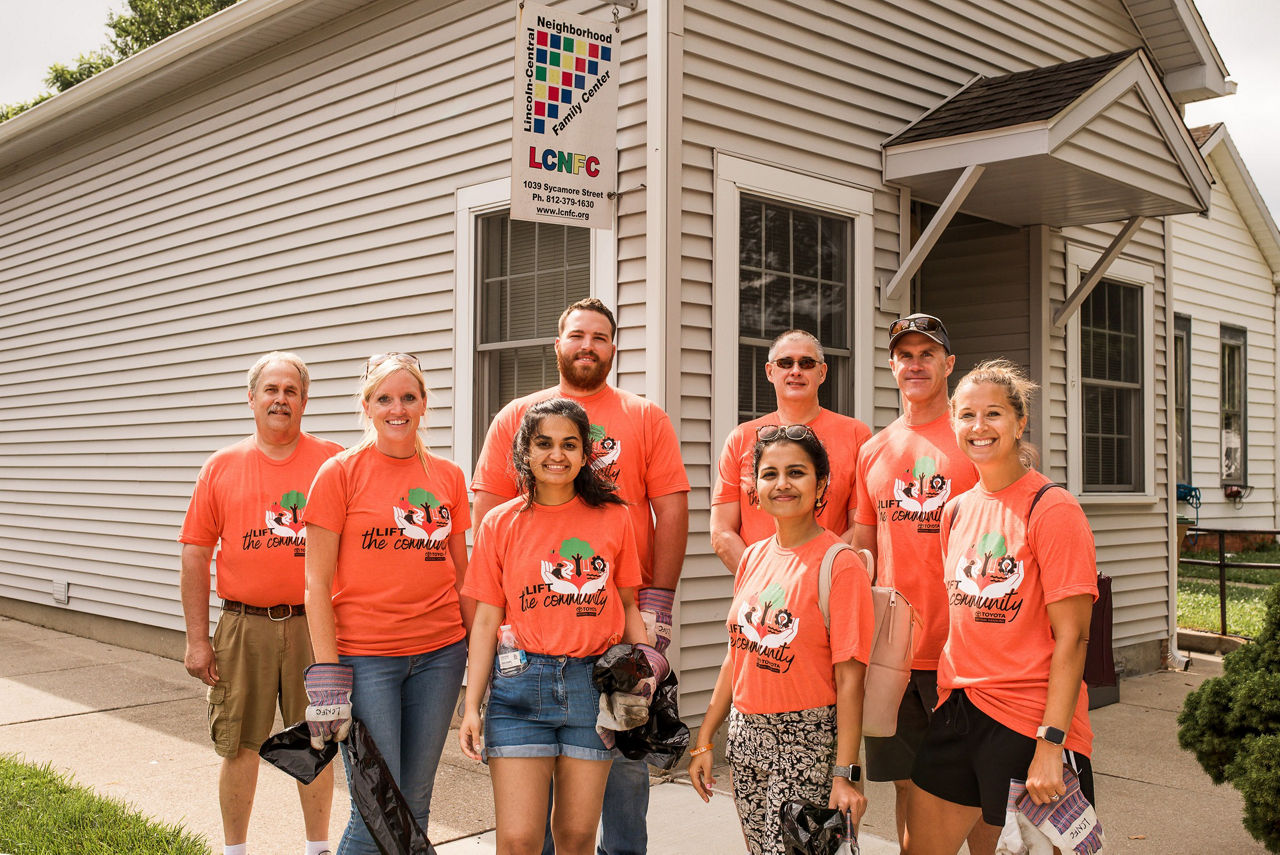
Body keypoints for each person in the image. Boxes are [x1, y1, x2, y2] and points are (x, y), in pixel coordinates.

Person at [471, 297, 689, 855]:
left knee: (612, 787)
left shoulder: (644, 417)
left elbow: (672, 508)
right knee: (524, 827)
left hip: (614, 637)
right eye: (577, 335)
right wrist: (486, 662)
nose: (587, 345)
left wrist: (654, 620)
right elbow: (490, 548)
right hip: (529, 654)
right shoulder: (514, 423)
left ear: (613, 348)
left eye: (599, 336)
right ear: (558, 344)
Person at [904, 360, 1098, 855]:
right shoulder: (956, 511)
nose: (979, 427)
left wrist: (1051, 745)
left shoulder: (1053, 509)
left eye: (993, 414)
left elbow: (1073, 638)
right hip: (960, 710)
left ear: (1020, 421)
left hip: (1029, 721)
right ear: (952, 422)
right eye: (967, 415)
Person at [459, 397, 651, 855]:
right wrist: (470, 706)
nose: (556, 455)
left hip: (594, 687)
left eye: (569, 444)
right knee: (519, 840)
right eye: (544, 443)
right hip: (519, 687)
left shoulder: (615, 517)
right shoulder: (499, 523)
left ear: (586, 454)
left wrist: (647, 682)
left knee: (577, 837)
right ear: (524, 451)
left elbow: (627, 604)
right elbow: (486, 620)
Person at [303, 352, 472, 855]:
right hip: (366, 659)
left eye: (408, 397)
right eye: (384, 399)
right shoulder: (339, 474)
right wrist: (327, 675)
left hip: (441, 655)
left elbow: (464, 578)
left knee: (416, 801)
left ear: (423, 405)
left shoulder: (448, 477)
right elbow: (315, 584)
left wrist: (482, 668)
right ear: (367, 406)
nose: (397, 408)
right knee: (375, 803)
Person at [178, 351, 340, 855]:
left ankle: (316, 849)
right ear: (251, 399)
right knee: (238, 746)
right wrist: (198, 641)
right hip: (242, 626)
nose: (280, 399)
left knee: (316, 745)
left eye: (291, 391)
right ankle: (236, 851)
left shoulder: (332, 463)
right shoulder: (222, 467)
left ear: (305, 401)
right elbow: (195, 555)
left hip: (313, 628)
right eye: (270, 390)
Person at [689, 425, 875, 855]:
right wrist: (705, 739)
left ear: (821, 483)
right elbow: (736, 655)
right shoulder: (752, 556)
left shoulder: (840, 564)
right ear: (754, 487)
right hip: (747, 735)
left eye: (796, 472)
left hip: (808, 740)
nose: (782, 484)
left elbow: (851, 680)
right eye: (769, 474)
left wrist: (844, 773)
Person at [849, 313, 978, 848]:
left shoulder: (975, 438)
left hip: (965, 651)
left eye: (928, 354)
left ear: (948, 364)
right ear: (892, 366)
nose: (916, 363)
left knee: (974, 792)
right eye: (906, 354)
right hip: (895, 653)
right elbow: (862, 546)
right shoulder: (874, 449)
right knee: (906, 783)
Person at [711, 330, 871, 572]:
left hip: (828, 584)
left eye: (806, 363)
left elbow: (862, 525)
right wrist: (763, 578)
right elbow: (722, 531)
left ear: (822, 373)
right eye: (785, 363)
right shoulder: (741, 438)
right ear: (770, 371)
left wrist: (817, 574)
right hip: (761, 594)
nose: (796, 371)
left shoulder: (856, 435)